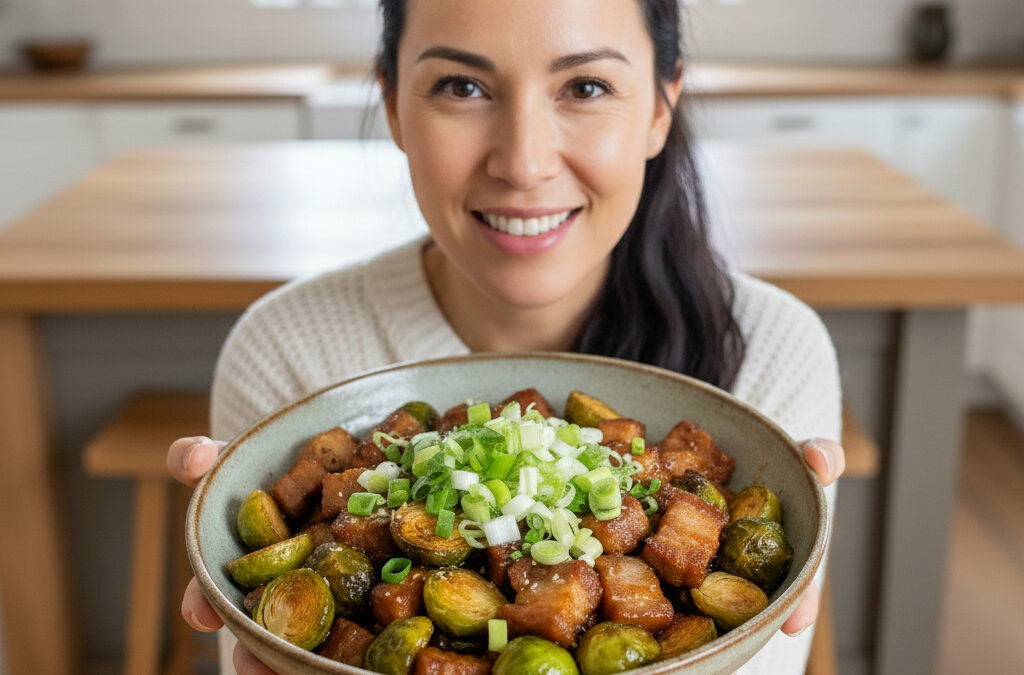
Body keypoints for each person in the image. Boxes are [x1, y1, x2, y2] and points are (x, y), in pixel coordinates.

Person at [167, 0, 847, 672]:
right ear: (394, 105)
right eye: (462, 86)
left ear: (659, 108)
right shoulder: (286, 348)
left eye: (586, 86)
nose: (523, 163)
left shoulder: (772, 349)